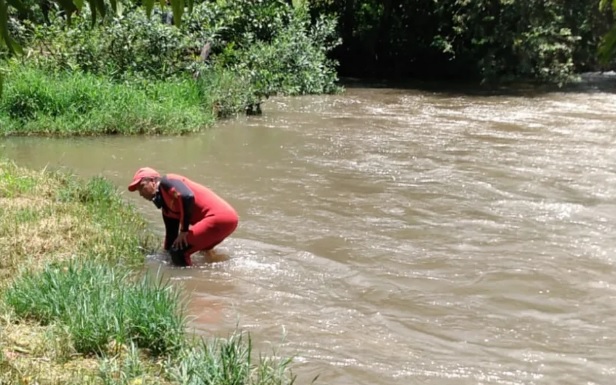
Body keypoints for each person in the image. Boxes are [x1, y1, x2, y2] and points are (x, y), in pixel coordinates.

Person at [128, 167, 239, 266]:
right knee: (200, 252)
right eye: (138, 190)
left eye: (142, 187)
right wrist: (164, 256)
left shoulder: (167, 181)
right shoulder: (167, 208)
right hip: (227, 221)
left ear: (153, 181)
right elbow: (171, 236)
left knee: (178, 252)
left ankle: (190, 285)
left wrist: (184, 230)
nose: (141, 194)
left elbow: (187, 196)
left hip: (219, 217)